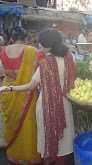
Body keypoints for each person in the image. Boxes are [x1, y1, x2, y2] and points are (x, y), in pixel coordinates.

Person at [0, 28, 78, 165]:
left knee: (49, 140)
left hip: (46, 105)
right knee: (63, 142)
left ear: (49, 43)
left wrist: (9, 87)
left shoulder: (46, 62)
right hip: (65, 103)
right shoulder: (69, 56)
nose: (40, 46)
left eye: (42, 43)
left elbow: (30, 86)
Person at [0, 27, 42, 164]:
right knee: (27, 124)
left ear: (11, 38)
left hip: (8, 90)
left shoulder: (3, 50)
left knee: (11, 122)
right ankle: (29, 155)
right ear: (26, 39)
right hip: (25, 91)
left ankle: (13, 154)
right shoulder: (31, 51)